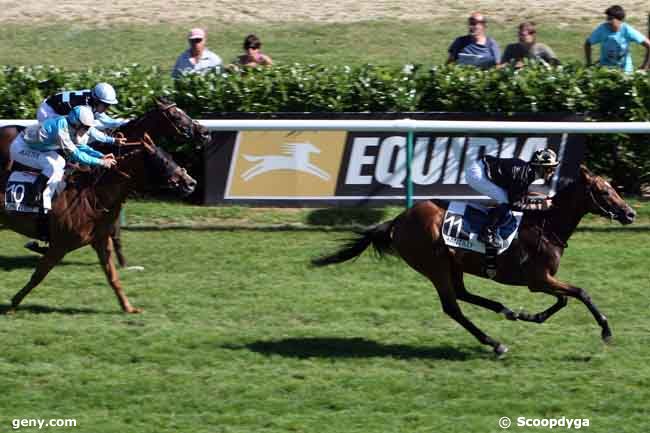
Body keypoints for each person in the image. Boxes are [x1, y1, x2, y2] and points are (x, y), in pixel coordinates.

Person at [10, 105, 117, 215]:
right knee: (53, 166)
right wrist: (101, 162)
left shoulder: (71, 126)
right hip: (21, 147)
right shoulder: (61, 129)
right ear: (76, 123)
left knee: (60, 162)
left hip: (36, 147)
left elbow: (80, 147)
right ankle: (34, 197)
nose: (87, 130)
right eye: (86, 127)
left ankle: (44, 197)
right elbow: (76, 154)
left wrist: (100, 156)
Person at [465, 149, 560, 248]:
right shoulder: (523, 175)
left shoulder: (527, 172)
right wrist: (539, 206)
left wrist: (541, 197)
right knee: (505, 201)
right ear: (540, 168)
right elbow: (514, 204)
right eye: (550, 169)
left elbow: (521, 194)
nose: (552, 172)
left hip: (482, 168)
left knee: (506, 199)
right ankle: (487, 233)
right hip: (477, 174)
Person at [37, 82, 126, 146]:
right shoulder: (85, 106)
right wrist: (111, 140)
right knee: (81, 137)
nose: (108, 108)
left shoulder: (91, 98)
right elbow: (90, 130)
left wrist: (120, 123)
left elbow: (103, 118)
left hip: (55, 106)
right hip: (47, 113)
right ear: (96, 101)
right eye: (106, 105)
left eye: (109, 105)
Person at [584, 5, 650, 73]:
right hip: (605, 70)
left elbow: (648, 45)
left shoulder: (627, 30)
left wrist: (645, 67)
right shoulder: (602, 29)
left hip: (625, 71)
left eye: (611, 19)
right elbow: (588, 43)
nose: (608, 22)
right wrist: (589, 63)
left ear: (620, 20)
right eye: (607, 19)